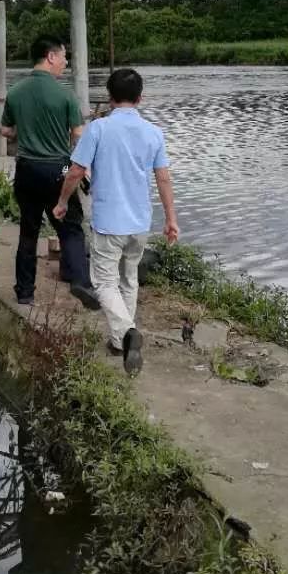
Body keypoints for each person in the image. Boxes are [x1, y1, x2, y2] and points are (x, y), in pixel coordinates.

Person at [53, 67, 179, 375]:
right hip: (139, 222)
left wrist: (61, 201)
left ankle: (127, 332)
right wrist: (171, 220)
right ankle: (119, 342)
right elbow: (163, 178)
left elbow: (76, 171)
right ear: (140, 98)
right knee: (129, 279)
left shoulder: (98, 129)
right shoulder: (154, 133)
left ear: (109, 98)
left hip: (109, 221)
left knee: (104, 282)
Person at [1, 35, 99, 308]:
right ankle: (80, 282)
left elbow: (6, 130)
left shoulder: (15, 92)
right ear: (50, 56)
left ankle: (24, 293)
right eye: (64, 57)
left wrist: (24, 130)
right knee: (71, 228)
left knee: (28, 232)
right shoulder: (66, 95)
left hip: (27, 168)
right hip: (60, 167)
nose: (65, 63)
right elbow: (79, 136)